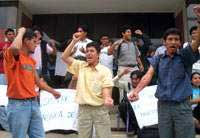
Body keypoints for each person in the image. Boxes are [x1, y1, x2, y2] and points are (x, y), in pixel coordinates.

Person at [128, 6, 200, 138]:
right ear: (164, 42)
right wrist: (136, 91)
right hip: (163, 107)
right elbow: (148, 76)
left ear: (180, 43)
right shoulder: (158, 58)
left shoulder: (185, 56)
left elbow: (196, 42)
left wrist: (199, 19)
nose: (173, 42)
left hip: (182, 106)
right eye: (170, 39)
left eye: (176, 39)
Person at [4, 27, 61, 138]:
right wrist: (21, 32)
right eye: (34, 42)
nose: (36, 45)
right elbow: (15, 47)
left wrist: (53, 92)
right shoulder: (13, 55)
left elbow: (38, 82)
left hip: (33, 103)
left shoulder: (31, 61)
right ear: (26, 41)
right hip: (18, 105)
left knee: (39, 136)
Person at [61, 32, 114, 138]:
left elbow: (106, 88)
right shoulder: (80, 66)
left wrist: (107, 98)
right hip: (83, 109)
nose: (89, 53)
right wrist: (74, 41)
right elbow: (64, 57)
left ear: (98, 54)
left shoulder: (105, 71)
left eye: (92, 51)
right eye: (87, 51)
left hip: (100, 109)